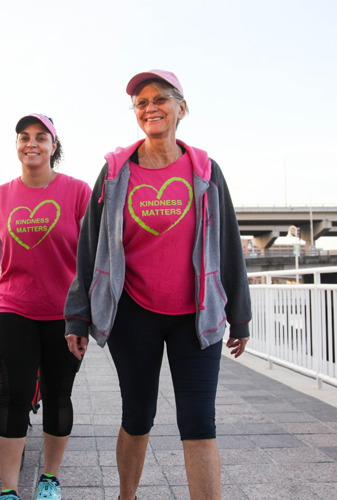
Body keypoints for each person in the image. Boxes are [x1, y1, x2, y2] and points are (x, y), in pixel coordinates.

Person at [64, 70, 251, 500]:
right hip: (133, 314)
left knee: (200, 420)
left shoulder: (205, 170)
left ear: (181, 108)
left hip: (197, 315)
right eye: (141, 102)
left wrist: (238, 316)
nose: (151, 107)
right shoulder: (115, 171)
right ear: (136, 113)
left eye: (160, 99)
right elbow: (91, 244)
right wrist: (77, 314)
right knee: (138, 414)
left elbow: (226, 242)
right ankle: (126, 496)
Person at [0, 114, 91, 500]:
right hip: (13, 307)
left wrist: (86, 312)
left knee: (58, 394)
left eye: (41, 137)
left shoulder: (78, 192)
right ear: (17, 144)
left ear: (54, 146)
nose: (32, 143)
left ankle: (49, 479)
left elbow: (89, 256)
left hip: (65, 313)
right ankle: (8, 489)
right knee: (14, 395)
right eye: (24, 137)